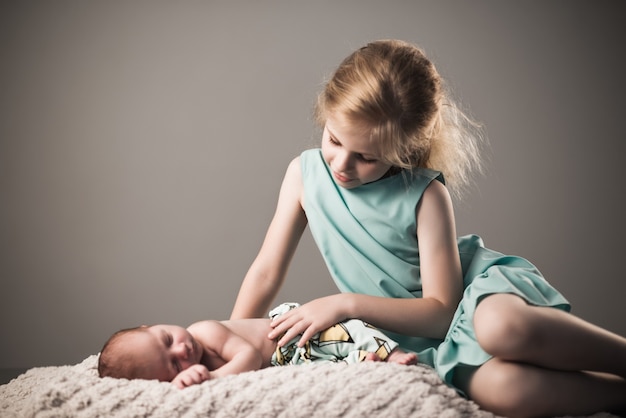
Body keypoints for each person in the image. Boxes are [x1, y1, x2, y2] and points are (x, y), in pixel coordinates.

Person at [230, 39, 626, 417]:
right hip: (419, 344)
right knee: (507, 392)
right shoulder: (304, 176)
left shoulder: (425, 194)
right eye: (333, 140)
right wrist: (225, 339)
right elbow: (266, 272)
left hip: (469, 301)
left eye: (366, 157)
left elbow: (441, 312)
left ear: (404, 149)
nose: (341, 165)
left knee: (500, 329)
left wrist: (344, 303)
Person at [97, 302, 417, 389]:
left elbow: (248, 355)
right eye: (173, 367)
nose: (181, 352)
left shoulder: (203, 331)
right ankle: (364, 364)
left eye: (168, 340)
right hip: (289, 363)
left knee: (350, 329)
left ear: (151, 326)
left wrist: (213, 379)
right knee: (327, 371)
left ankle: (394, 353)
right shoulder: (190, 366)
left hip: (290, 335)